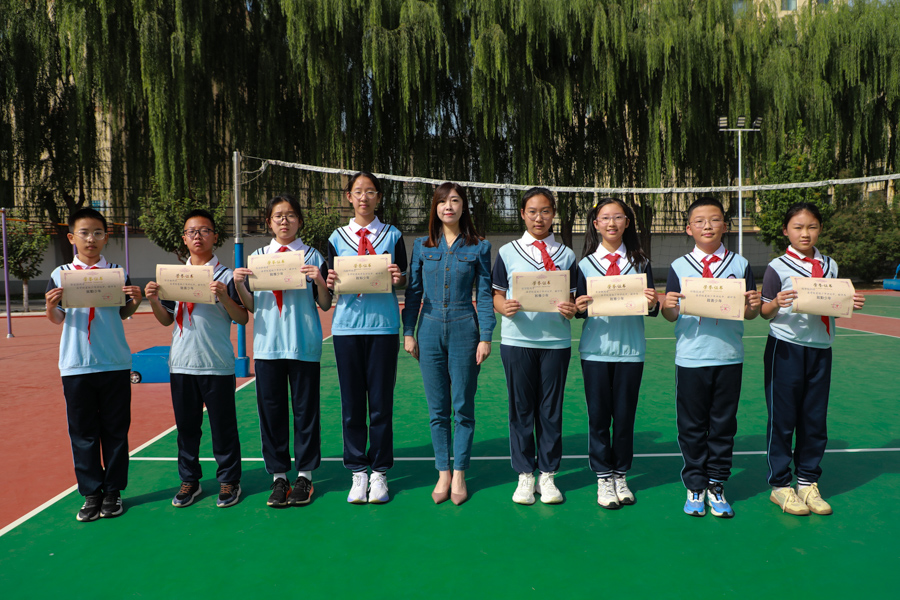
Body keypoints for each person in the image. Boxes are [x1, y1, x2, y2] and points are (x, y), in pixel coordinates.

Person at [760, 202, 865, 516]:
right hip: (786, 348)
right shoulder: (777, 267)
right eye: (798, 227)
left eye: (812, 227)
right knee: (783, 419)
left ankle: (807, 482)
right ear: (785, 231)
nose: (805, 233)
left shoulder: (830, 265)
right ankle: (781, 485)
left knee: (814, 419)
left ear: (820, 229)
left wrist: (849, 303)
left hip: (820, 349)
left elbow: (831, 305)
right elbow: (764, 311)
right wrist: (776, 302)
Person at [661, 197, 761, 518]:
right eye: (700, 221)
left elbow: (749, 313)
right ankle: (695, 485)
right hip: (691, 357)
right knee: (691, 426)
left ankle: (717, 484)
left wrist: (753, 306)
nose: (708, 226)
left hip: (728, 357)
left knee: (722, 426)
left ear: (725, 226)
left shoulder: (740, 264)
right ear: (688, 228)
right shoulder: (679, 266)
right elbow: (670, 315)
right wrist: (667, 306)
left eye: (715, 219)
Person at [144, 209, 248, 509]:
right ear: (184, 238)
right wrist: (153, 300)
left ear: (215, 237)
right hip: (181, 363)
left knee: (223, 428)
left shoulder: (226, 276)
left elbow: (242, 318)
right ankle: (189, 480)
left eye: (204, 230)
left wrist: (224, 296)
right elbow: (167, 319)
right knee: (187, 429)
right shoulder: (173, 278)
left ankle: (229, 480)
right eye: (192, 231)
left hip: (216, 363)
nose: (198, 236)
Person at [45, 207, 143, 521]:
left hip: (113, 362)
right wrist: (49, 307)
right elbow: (57, 318)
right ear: (71, 237)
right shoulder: (60, 274)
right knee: (83, 432)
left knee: (116, 431)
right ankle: (91, 493)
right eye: (84, 233)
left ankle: (113, 492)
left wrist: (135, 301)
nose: (91, 239)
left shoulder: (117, 272)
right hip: (76, 364)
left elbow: (122, 313)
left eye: (97, 233)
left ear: (106, 237)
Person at [233, 194, 331, 508]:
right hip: (267, 347)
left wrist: (320, 281)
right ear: (269, 222)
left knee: (306, 413)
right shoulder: (257, 258)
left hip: (304, 345)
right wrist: (239, 285)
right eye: (278, 216)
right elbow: (252, 307)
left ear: (299, 221)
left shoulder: (312, 255)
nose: (284, 221)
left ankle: (305, 477)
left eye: (290, 215)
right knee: (271, 414)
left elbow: (325, 304)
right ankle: (278, 477)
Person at [402, 182, 495, 505]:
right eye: (443, 201)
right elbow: (413, 292)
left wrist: (486, 336)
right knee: (438, 409)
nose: (449, 207)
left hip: (464, 327)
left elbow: (485, 295)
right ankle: (443, 471)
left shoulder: (479, 247)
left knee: (463, 406)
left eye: (455, 201)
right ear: (436, 208)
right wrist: (409, 332)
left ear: (463, 206)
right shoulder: (422, 245)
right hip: (428, 328)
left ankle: (460, 473)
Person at [492, 187, 577, 505]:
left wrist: (571, 309)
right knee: (521, 409)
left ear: (553, 214)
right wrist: (503, 307)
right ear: (522, 214)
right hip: (517, 341)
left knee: (551, 410)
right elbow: (496, 294)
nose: (538, 218)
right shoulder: (507, 252)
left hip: (556, 342)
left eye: (545, 211)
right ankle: (525, 474)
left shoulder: (567, 255)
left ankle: (548, 475)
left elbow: (573, 300)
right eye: (532, 211)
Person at [325, 171, 406, 504]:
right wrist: (329, 281)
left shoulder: (393, 235)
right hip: (346, 328)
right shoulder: (336, 237)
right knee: (352, 404)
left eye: (370, 191)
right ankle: (358, 471)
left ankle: (380, 472)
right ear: (349, 196)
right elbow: (328, 286)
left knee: (381, 404)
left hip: (383, 327)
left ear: (378, 197)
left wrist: (399, 278)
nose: (364, 197)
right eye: (358, 191)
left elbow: (403, 279)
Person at [574, 198, 659, 509]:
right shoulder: (584, 265)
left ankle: (620, 475)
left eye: (618, 217)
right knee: (598, 417)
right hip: (595, 351)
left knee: (624, 417)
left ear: (627, 222)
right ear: (596, 224)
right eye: (605, 218)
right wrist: (579, 308)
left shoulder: (641, 263)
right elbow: (579, 311)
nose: (612, 223)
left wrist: (653, 302)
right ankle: (603, 477)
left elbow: (652, 309)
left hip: (631, 351)